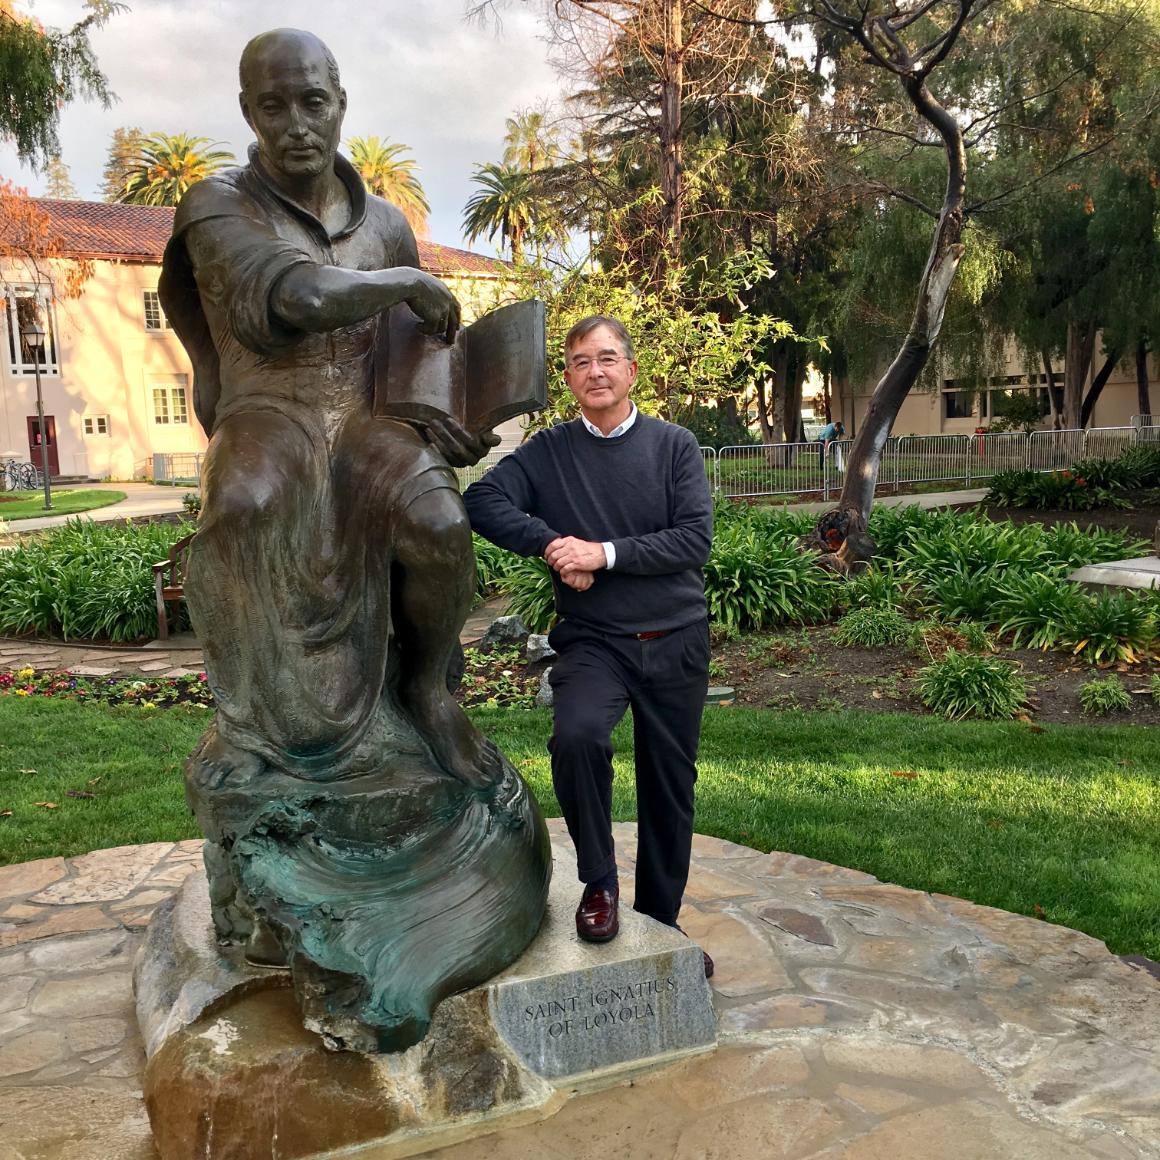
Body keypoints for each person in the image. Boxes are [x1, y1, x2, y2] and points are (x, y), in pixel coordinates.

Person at [159, 27, 499, 789]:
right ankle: (246, 723)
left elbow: (414, 348)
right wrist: (405, 281)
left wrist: (440, 416)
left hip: (364, 418)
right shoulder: (217, 203)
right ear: (248, 112)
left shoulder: (383, 223)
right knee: (243, 504)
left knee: (442, 523)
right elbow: (301, 294)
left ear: (340, 103)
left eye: (313, 101)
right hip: (268, 408)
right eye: (273, 106)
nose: (296, 124)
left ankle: (428, 690)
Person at [463, 316, 715, 976]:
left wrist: (600, 554)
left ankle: (660, 923)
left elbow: (693, 541)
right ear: (569, 378)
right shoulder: (548, 453)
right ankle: (599, 884)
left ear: (631, 371)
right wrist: (551, 545)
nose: (595, 371)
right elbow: (483, 499)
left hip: (675, 639)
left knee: (669, 786)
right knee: (576, 738)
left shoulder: (674, 447)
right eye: (580, 362)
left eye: (607, 359)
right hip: (595, 643)